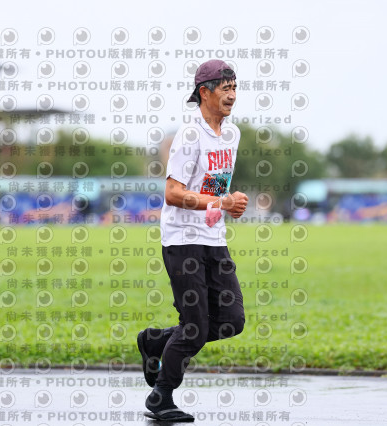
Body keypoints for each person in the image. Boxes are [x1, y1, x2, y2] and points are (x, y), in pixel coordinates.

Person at [137, 59, 248, 422]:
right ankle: (161, 397)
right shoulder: (190, 135)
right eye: (225, 88)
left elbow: (213, 187)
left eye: (235, 87)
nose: (232, 95)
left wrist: (226, 205)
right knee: (195, 327)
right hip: (182, 240)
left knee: (231, 319)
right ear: (205, 92)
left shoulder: (231, 135)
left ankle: (156, 341)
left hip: (214, 238)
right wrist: (222, 202)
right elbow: (172, 193)